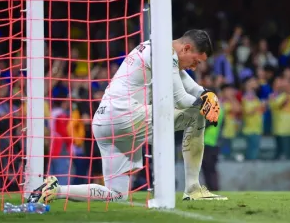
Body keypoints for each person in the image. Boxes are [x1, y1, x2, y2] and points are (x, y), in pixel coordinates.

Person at [27, 29, 227, 203]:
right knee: (195, 116)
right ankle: (192, 188)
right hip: (125, 115)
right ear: (186, 48)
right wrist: (204, 106)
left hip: (105, 120)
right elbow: (181, 98)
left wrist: (205, 94)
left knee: (116, 194)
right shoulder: (165, 53)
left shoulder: (157, 48)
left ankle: (55, 189)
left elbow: (189, 84)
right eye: (195, 61)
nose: (193, 68)